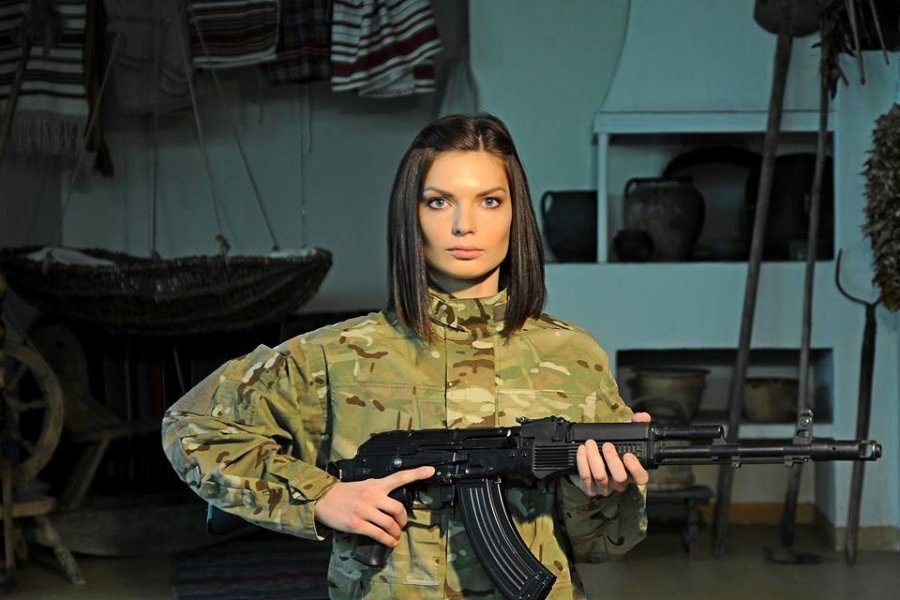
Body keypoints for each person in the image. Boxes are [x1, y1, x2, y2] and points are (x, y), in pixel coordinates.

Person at [162, 113, 650, 599]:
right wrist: (321, 496)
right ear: (409, 216)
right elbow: (191, 425)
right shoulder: (337, 356)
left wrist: (597, 493)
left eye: (489, 201)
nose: (464, 225)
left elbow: (601, 545)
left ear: (515, 214)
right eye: (439, 202)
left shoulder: (573, 357)